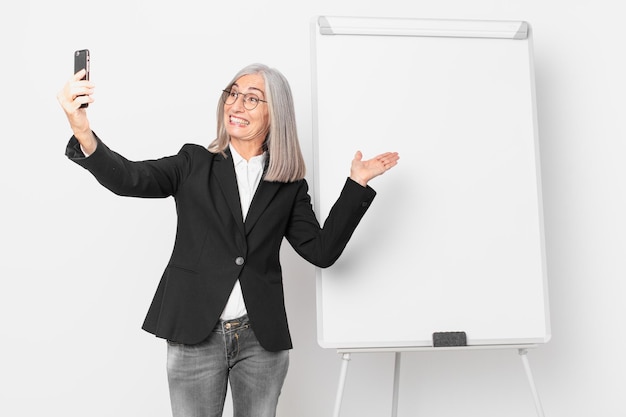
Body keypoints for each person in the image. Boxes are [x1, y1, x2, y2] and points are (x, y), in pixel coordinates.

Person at [57, 63, 399, 417]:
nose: (237, 105)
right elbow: (129, 178)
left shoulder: (289, 185)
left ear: (275, 113)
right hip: (195, 333)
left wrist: (356, 184)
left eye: (252, 99)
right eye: (233, 94)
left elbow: (322, 251)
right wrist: (82, 130)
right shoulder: (194, 163)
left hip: (260, 340)